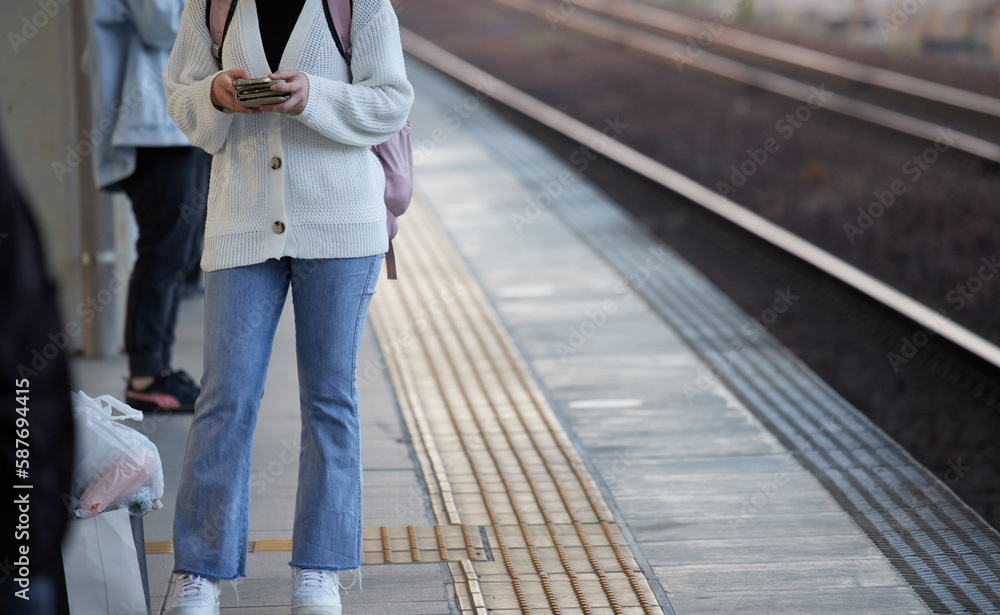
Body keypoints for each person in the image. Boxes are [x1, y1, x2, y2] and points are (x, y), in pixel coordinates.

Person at [162, 0, 413, 612]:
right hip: (242, 223)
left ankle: (320, 571)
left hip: (340, 224)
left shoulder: (362, 5)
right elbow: (181, 97)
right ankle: (200, 572)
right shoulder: (212, 5)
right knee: (225, 398)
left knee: (330, 398)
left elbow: (390, 101)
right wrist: (216, 96)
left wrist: (314, 98)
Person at [89, 0, 209, 412]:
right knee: (164, 250)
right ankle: (146, 374)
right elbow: (164, 25)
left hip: (177, 121)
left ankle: (158, 368)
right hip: (153, 125)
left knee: (179, 251)